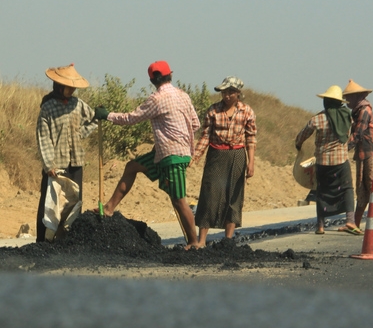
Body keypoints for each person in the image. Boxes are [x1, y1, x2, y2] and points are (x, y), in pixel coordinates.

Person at [94, 61, 201, 248]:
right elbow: (195, 124)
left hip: (172, 155)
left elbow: (131, 118)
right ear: (170, 75)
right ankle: (109, 208)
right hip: (168, 152)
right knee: (133, 166)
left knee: (179, 199)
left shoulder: (156, 99)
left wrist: (107, 115)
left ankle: (194, 243)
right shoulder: (183, 96)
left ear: (152, 80)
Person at [35, 64, 98, 242]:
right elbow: (43, 138)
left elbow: (93, 119)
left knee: (74, 202)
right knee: (49, 204)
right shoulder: (47, 108)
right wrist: (49, 165)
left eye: (73, 87)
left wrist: (81, 133)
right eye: (68, 87)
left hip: (75, 162)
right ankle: (43, 241)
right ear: (59, 86)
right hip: (56, 165)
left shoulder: (78, 105)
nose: (71, 90)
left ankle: (66, 241)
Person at [191, 76, 256, 247]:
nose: (226, 96)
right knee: (209, 194)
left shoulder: (247, 111)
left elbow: (251, 138)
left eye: (230, 93)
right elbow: (205, 135)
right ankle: (202, 240)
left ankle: (228, 240)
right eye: (224, 93)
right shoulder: (213, 110)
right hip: (216, 155)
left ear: (238, 93)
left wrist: (251, 162)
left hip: (237, 156)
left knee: (233, 197)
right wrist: (196, 156)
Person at [294, 85, 360, 235]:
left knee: (322, 192)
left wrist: (298, 145)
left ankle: (320, 226)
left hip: (322, 163)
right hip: (341, 162)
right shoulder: (347, 117)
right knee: (347, 189)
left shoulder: (318, 119)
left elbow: (302, 135)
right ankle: (350, 220)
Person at [343, 79, 373, 228]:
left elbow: (358, 134)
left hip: (372, 153)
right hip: (362, 153)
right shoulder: (356, 112)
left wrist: (343, 149)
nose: (346, 101)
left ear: (356, 97)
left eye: (348, 97)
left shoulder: (364, 111)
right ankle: (355, 223)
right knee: (362, 189)